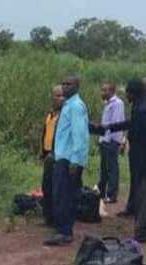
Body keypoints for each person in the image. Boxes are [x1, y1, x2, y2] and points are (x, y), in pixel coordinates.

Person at [103, 79, 146, 241]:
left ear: (134, 93)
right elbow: (134, 124)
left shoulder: (143, 109)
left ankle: (142, 231)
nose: (126, 97)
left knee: (144, 193)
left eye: (128, 93)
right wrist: (110, 127)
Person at [44, 75, 89, 247]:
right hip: (62, 156)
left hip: (69, 159)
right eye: (63, 83)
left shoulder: (76, 106)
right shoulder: (68, 105)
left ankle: (65, 232)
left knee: (64, 195)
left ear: (77, 86)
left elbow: (80, 135)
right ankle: (63, 229)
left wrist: (75, 161)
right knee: (61, 194)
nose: (64, 87)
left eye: (68, 84)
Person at [40, 85, 65, 226]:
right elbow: (45, 133)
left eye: (63, 96)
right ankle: (48, 217)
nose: (61, 99)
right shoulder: (50, 115)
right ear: (52, 97)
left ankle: (58, 219)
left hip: (58, 156)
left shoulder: (64, 116)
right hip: (48, 155)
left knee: (58, 189)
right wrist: (42, 152)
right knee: (46, 187)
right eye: (57, 96)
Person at [97, 82, 125, 204]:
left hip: (111, 141)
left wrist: (114, 142)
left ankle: (112, 194)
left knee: (112, 168)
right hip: (105, 140)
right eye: (102, 90)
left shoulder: (117, 104)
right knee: (104, 168)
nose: (102, 93)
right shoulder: (108, 103)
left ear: (112, 91)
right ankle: (102, 192)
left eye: (105, 90)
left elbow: (116, 124)